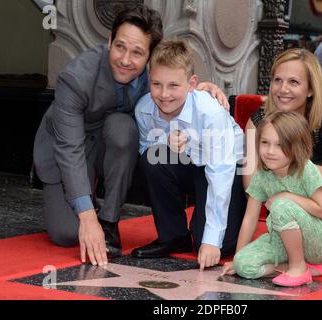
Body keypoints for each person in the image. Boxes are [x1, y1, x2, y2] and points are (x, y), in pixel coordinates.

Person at [33, 4, 228, 267]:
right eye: (120, 47)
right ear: (110, 40)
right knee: (67, 234)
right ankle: (87, 202)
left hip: (113, 143)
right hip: (66, 147)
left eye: (137, 52)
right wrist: (88, 218)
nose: (125, 60)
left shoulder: (154, 76)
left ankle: (110, 220)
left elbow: (175, 79)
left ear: (149, 57)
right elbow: (69, 149)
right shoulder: (75, 78)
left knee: (123, 129)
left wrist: (199, 92)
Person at [131, 39, 247, 271]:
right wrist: (164, 141)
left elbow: (220, 175)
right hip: (189, 166)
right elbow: (144, 151)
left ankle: (214, 222)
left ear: (192, 84)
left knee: (219, 245)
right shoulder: (144, 109)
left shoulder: (210, 112)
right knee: (153, 158)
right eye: (156, 84)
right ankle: (173, 236)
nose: (164, 94)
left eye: (174, 85)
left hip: (228, 171)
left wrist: (211, 241)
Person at [243, 48, 322, 259]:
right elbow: (250, 182)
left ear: (310, 89)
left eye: (294, 82)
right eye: (277, 80)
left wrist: (282, 168)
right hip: (279, 212)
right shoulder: (257, 120)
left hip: (320, 216)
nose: (282, 89)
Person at [221, 112, 322, 287]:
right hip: (282, 240)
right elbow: (250, 218)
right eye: (265, 143)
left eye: (280, 145)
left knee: (281, 205)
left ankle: (298, 267)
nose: (270, 151)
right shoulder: (262, 175)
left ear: (297, 147)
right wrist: (236, 257)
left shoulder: (306, 169)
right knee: (243, 265)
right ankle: (304, 267)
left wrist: (287, 196)